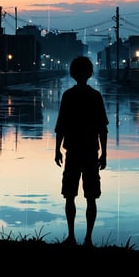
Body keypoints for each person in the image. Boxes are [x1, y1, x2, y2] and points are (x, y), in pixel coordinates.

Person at [54, 56, 109, 247]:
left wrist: (57, 150)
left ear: (73, 73)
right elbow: (103, 128)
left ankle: (71, 236)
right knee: (91, 196)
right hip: (91, 151)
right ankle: (88, 238)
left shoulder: (68, 96)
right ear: (90, 73)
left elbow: (60, 125)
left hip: (73, 150)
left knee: (70, 194)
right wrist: (104, 154)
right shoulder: (95, 96)